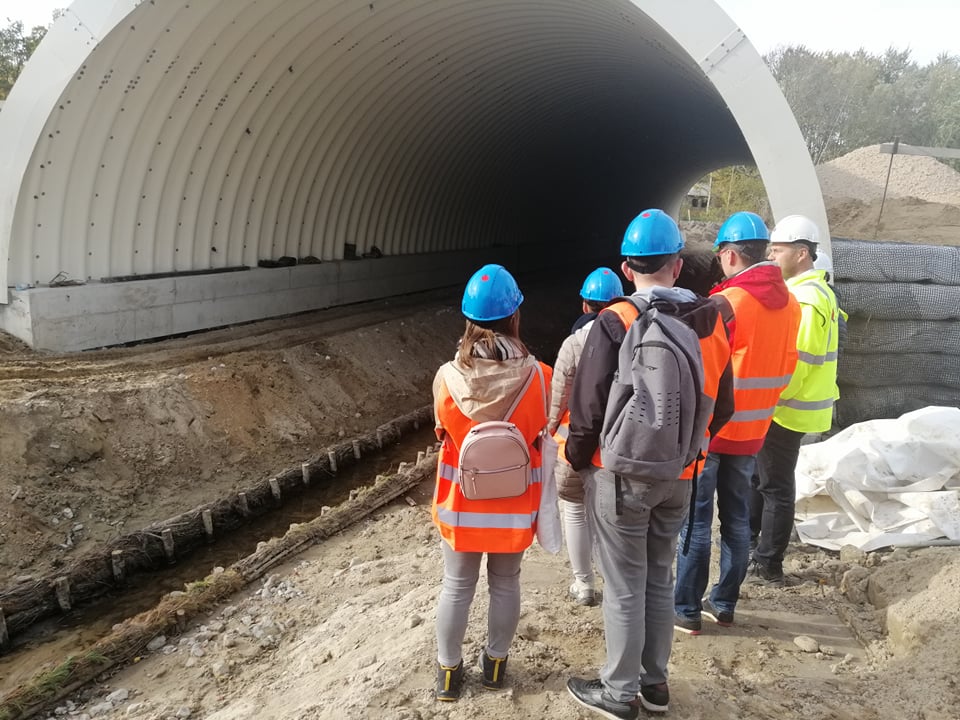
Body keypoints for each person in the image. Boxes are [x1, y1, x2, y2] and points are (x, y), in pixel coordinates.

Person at [564, 210, 733, 719]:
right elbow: (724, 405)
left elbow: (587, 409)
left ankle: (619, 694)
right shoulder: (711, 321)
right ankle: (655, 685)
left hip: (622, 477)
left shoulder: (615, 320)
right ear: (677, 265)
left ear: (625, 267)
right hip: (681, 474)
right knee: (659, 578)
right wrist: (690, 446)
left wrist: (578, 462)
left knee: (623, 586)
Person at [674, 211, 801, 635]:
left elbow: (702, 370)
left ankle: (686, 608)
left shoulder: (727, 304)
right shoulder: (791, 305)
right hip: (754, 430)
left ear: (730, 255)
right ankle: (724, 602)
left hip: (713, 432)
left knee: (696, 522)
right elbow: (788, 366)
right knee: (737, 519)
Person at [430, 263, 552, 702]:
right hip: (514, 507)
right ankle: (495, 666)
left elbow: (442, 433)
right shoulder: (540, 377)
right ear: (515, 315)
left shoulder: (446, 378)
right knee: (506, 583)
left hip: (461, 507)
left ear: (467, 320)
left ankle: (448, 674)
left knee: (456, 587)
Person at [748, 215, 841, 586]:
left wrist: (769, 397)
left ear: (802, 253)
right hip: (790, 405)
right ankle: (753, 543)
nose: (771, 256)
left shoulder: (807, 299)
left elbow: (798, 362)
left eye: (778, 250)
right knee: (762, 478)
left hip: (787, 409)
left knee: (775, 486)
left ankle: (768, 563)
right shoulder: (813, 292)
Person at [547, 266, 624, 607]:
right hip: (616, 445)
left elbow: (558, 400)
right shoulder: (632, 336)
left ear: (584, 305)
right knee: (610, 517)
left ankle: (583, 584)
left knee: (575, 512)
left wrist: (549, 432)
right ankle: (617, 583)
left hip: (575, 444)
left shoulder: (574, 343)